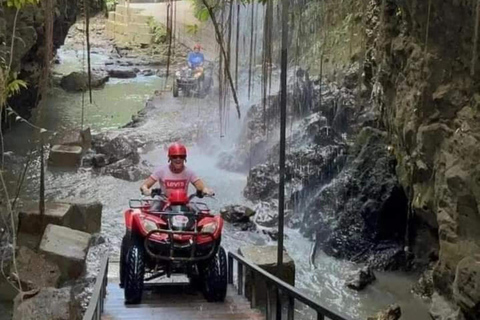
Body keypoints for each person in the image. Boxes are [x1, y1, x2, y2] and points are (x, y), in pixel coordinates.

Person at [140, 142, 214, 199]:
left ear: (185, 158)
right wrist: (146, 190)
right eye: (174, 156)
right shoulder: (161, 171)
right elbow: (144, 185)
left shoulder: (189, 172)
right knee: (153, 213)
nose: (178, 159)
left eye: (181, 156)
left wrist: (206, 190)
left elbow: (200, 186)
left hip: (183, 203)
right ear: (170, 158)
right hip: (164, 201)